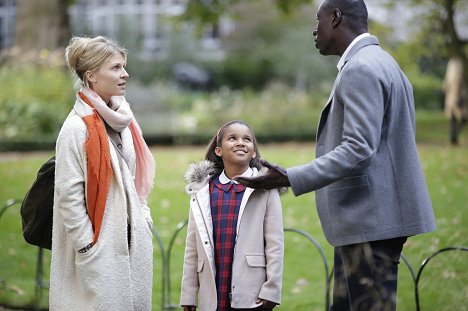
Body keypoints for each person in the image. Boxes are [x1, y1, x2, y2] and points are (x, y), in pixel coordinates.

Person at [234, 1, 436, 310]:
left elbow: (359, 148)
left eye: (318, 20)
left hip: (369, 221)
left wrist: (290, 177)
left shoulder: (361, 69)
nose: (314, 30)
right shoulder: (383, 61)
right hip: (370, 221)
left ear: (336, 17)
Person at [50, 36, 156, 311]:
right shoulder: (76, 128)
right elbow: (68, 196)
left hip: (132, 244)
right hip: (100, 250)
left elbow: (133, 183)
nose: (125, 74)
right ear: (92, 76)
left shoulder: (124, 119)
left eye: (123, 66)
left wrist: (143, 219)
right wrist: (87, 247)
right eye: (116, 67)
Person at [180, 120, 284, 311]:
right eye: (232, 138)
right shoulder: (202, 191)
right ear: (219, 150)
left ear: (253, 151)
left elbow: (275, 244)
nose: (240, 142)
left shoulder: (266, 190)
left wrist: (272, 290)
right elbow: (192, 248)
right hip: (212, 284)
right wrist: (189, 294)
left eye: (247, 139)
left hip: (251, 288)